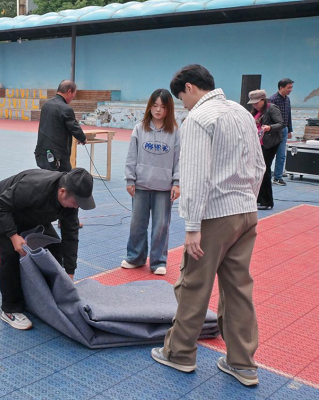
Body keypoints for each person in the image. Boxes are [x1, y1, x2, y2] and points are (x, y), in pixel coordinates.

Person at [150, 65, 265, 387]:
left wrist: (192, 226)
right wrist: (247, 200)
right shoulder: (242, 113)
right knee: (238, 289)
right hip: (246, 212)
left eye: (181, 98)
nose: (182, 105)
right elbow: (258, 165)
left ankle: (179, 353)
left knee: (194, 285)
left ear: (189, 87)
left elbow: (195, 175)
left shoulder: (199, 119)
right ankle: (243, 363)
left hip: (214, 216)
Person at [0, 168, 95, 330]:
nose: (77, 206)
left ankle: (43, 295)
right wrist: (13, 235)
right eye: (76, 202)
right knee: (11, 254)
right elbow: (0, 205)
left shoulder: (71, 201)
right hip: (3, 208)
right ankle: (10, 309)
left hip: (32, 211)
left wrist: (69, 272)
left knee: (53, 247)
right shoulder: (35, 186)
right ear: (62, 191)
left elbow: (70, 235)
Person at [122, 89, 180, 276]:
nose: (158, 110)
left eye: (163, 106)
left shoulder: (175, 132)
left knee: (161, 226)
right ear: (149, 106)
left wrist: (177, 182)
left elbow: (179, 159)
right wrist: (130, 179)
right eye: (155, 105)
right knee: (137, 224)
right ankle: (135, 257)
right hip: (141, 185)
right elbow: (131, 156)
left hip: (164, 188)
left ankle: (158, 261)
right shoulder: (139, 128)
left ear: (169, 109)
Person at [34, 80, 87, 172]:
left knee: (45, 176)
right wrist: (82, 138)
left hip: (42, 152)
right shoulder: (65, 108)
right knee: (64, 177)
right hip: (57, 156)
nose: (73, 97)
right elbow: (74, 127)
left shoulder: (46, 105)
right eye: (74, 94)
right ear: (69, 91)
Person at [248, 90, 285, 210]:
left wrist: (269, 127)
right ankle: (259, 198)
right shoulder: (256, 111)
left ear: (263, 100)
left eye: (257, 102)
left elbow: (281, 124)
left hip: (270, 143)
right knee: (258, 171)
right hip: (259, 143)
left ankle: (267, 201)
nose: (255, 105)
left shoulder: (272, 108)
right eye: (253, 103)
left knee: (264, 170)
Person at [268, 78, 294, 186]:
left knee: (281, 155)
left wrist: (289, 130)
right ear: (281, 88)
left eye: (291, 87)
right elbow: (268, 117)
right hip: (274, 131)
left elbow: (288, 115)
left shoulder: (287, 100)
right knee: (270, 154)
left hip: (284, 129)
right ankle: (266, 177)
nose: (290, 90)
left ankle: (277, 177)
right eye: (289, 87)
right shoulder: (272, 100)